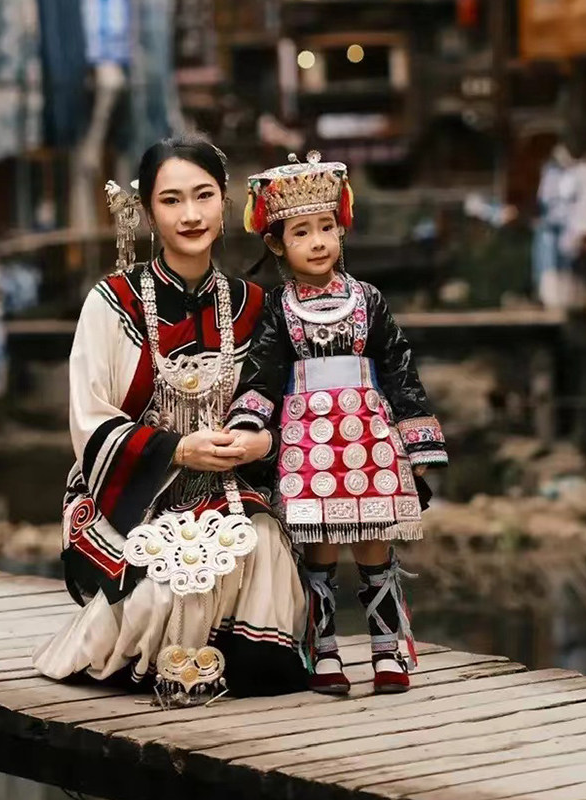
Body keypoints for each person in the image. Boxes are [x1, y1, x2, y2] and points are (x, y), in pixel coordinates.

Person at [33, 135, 307, 700]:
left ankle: (232, 663)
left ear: (224, 202)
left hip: (229, 489)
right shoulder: (111, 302)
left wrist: (262, 445)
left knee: (263, 551)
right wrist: (177, 449)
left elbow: (288, 408)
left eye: (203, 196)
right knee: (162, 589)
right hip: (128, 493)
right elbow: (89, 417)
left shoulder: (257, 304)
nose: (190, 215)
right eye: (172, 200)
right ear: (148, 210)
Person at [226, 152, 448, 695]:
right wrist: (250, 425)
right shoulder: (278, 309)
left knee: (375, 542)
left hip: (370, 433)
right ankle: (323, 652)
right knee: (319, 548)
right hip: (306, 440)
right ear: (278, 244)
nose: (319, 241)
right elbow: (262, 372)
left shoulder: (368, 300)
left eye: (327, 227)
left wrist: (418, 445)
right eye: (303, 232)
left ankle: (387, 650)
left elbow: (398, 367)